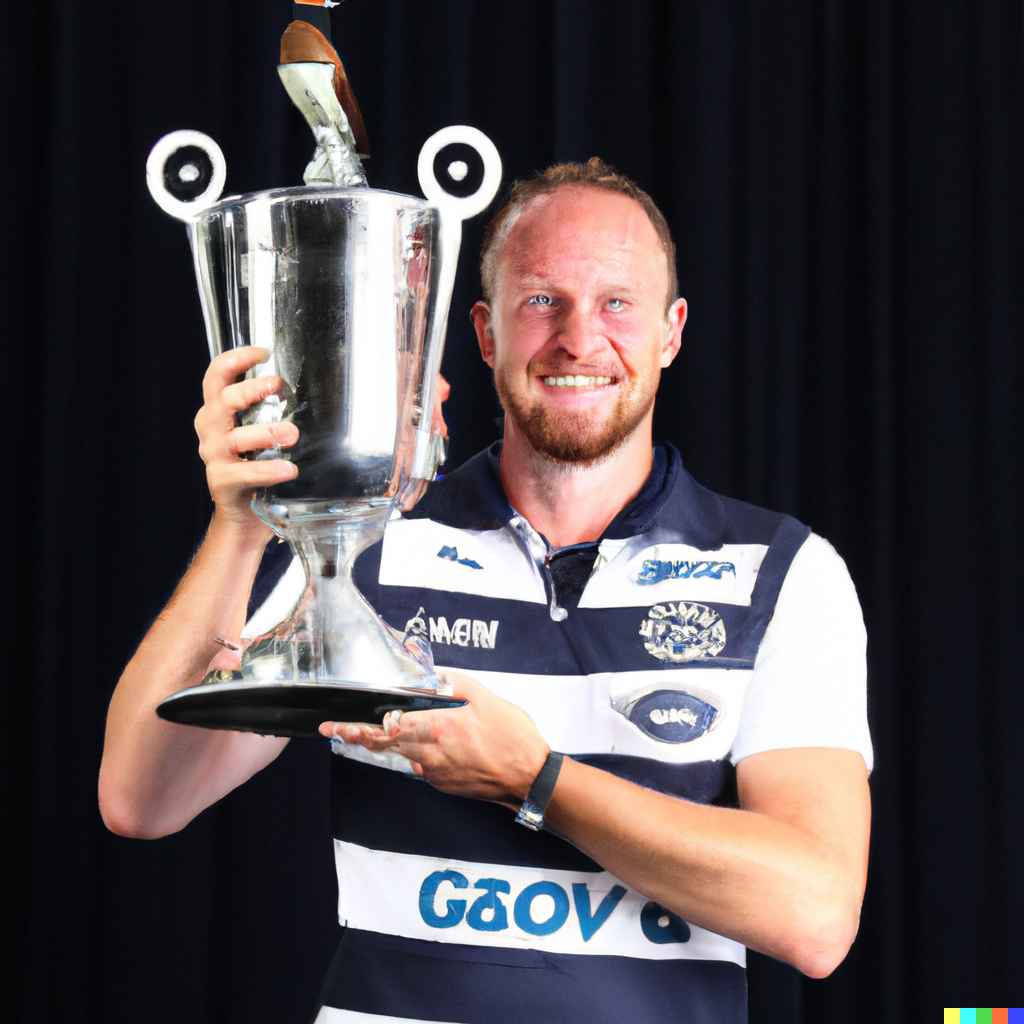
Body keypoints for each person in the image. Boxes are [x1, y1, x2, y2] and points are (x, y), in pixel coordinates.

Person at [99, 158, 871, 1024]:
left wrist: (534, 780)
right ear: (484, 331)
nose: (580, 338)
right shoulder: (373, 548)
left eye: (618, 302)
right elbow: (142, 798)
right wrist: (245, 517)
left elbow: (816, 914)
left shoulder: (783, 571)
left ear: (670, 332)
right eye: (542, 299)